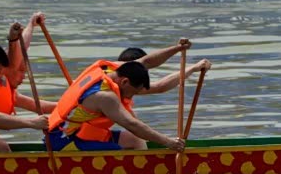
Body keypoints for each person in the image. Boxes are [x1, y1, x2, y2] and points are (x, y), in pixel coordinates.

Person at [46, 60, 186, 152]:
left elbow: (147, 61)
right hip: (61, 143)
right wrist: (168, 142)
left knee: (135, 140)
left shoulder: (106, 71)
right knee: (117, 153)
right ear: (125, 82)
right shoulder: (106, 96)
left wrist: (187, 61)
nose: (131, 97)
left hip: (71, 133)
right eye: (133, 93)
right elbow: (132, 125)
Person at [116, 39, 212, 94]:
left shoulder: (126, 82)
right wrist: (193, 68)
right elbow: (160, 86)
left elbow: (147, 62)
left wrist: (179, 48)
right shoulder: (127, 83)